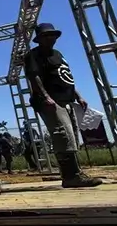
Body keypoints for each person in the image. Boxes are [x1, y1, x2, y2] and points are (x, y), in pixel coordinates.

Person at [24, 23, 102, 188]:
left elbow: (65, 77)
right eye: (47, 36)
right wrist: (46, 97)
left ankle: (76, 173)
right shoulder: (33, 55)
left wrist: (78, 96)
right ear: (39, 39)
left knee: (72, 136)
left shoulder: (58, 55)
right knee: (63, 135)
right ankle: (71, 176)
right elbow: (34, 77)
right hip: (50, 101)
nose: (51, 38)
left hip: (66, 100)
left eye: (53, 35)